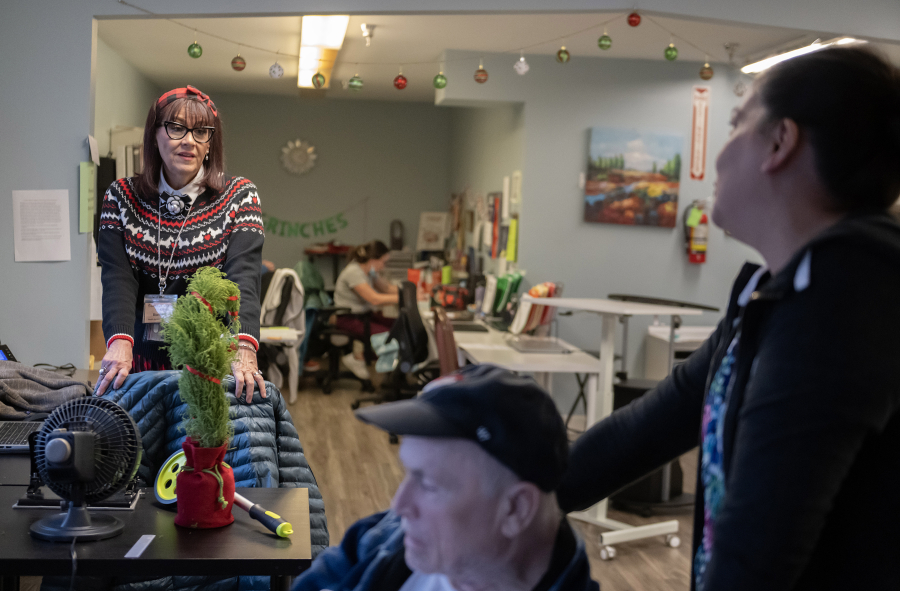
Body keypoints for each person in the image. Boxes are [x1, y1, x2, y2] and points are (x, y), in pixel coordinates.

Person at [557, 46, 900, 591]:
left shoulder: (847, 289)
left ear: (781, 142)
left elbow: (758, 553)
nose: (719, 155)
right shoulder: (778, 289)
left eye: (738, 123)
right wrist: (521, 493)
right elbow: (649, 427)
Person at [292, 364, 597, 591]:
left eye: (428, 483)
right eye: (408, 473)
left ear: (516, 509)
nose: (399, 505)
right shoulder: (389, 536)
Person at [96, 85, 266, 403]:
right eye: (176, 128)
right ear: (154, 134)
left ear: (210, 142)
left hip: (212, 360)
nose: (189, 140)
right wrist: (118, 341)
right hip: (139, 356)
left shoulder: (240, 195)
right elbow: (117, 277)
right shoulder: (120, 196)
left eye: (201, 131)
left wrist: (244, 347)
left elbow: (243, 278)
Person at [332, 240, 399, 378]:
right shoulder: (354, 272)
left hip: (364, 315)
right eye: (383, 262)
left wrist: (410, 293)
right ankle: (358, 357)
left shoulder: (369, 271)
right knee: (392, 336)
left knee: (400, 327)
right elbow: (374, 299)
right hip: (348, 319)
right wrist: (404, 298)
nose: (383, 266)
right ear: (373, 259)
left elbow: (386, 288)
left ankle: (392, 370)